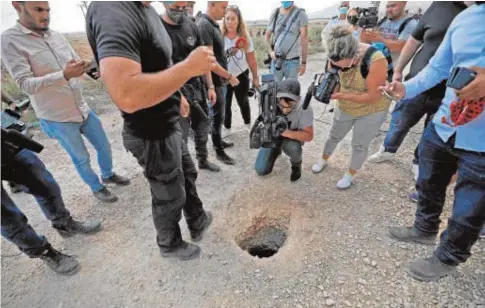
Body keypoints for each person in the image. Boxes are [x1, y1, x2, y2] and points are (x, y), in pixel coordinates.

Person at [86, 1, 215, 261]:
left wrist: (177, 95)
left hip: (170, 121)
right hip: (151, 133)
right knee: (168, 193)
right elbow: (126, 94)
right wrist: (189, 68)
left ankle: (197, 219)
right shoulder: (113, 9)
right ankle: (170, 244)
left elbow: (158, 63)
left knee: (187, 173)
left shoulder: (146, 11)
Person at [381, 2, 485, 282]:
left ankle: (448, 258)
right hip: (445, 125)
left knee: (469, 208)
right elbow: (438, 66)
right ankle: (425, 229)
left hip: (482, 142)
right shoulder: (466, 18)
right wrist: (406, 88)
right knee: (428, 182)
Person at [1, 1, 130, 204]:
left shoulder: (56, 35)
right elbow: (25, 84)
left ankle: (108, 174)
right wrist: (63, 75)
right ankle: (97, 187)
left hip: (82, 109)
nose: (46, 15)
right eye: (38, 10)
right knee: (81, 157)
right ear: (18, 6)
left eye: (48, 10)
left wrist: (91, 67)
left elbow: (76, 62)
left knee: (104, 145)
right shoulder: (10, 40)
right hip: (57, 117)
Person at [368, 2, 467, 197]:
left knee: (430, 134)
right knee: (399, 122)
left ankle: (418, 163)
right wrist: (398, 71)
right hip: (416, 84)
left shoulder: (475, 16)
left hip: (450, 95)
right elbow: (414, 41)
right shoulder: (439, 6)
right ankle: (387, 150)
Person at [1, 139, 102, 275]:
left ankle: (64, 224)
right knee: (6, 217)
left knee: (46, 186)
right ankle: (43, 251)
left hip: (6, 147)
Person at [312, 25, 391, 190]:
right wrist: (327, 88)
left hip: (372, 110)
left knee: (359, 145)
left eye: (343, 66)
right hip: (346, 106)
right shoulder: (335, 54)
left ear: (354, 56)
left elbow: (372, 97)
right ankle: (323, 159)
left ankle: (350, 174)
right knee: (334, 135)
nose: (339, 68)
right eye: (335, 65)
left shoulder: (376, 60)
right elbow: (333, 78)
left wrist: (340, 96)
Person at [161, 1, 220, 173]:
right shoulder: (158, 29)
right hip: (175, 91)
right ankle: (183, 169)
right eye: (175, 8)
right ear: (164, 4)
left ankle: (203, 160)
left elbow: (204, 58)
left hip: (197, 88)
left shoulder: (191, 26)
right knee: (181, 135)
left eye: (183, 7)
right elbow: (159, 67)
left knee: (202, 127)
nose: (180, 11)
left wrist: (210, 86)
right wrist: (178, 96)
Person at [198, 1, 239, 165]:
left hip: (220, 80)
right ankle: (218, 150)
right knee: (216, 115)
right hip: (215, 81)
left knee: (219, 114)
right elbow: (209, 62)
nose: (225, 11)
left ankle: (219, 141)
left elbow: (217, 55)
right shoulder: (204, 26)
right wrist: (228, 76)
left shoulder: (213, 25)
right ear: (212, 4)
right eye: (223, 7)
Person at [254, 78, 314, 182]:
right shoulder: (269, 100)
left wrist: (287, 133)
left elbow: (309, 136)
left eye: (291, 106)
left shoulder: (305, 108)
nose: (285, 109)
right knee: (261, 170)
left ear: (298, 99)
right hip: (273, 135)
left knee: (294, 148)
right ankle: (276, 149)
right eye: (282, 106)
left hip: (290, 136)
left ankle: (296, 166)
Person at [222, 5, 260, 131]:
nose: (230, 22)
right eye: (227, 18)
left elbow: (252, 60)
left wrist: (255, 78)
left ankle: (248, 125)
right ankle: (226, 129)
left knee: (243, 102)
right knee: (225, 105)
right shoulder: (220, 37)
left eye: (233, 19)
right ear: (224, 19)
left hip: (241, 75)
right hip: (224, 76)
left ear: (238, 20)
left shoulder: (245, 38)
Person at [360, 1, 418, 65]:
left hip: (392, 68)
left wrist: (378, 39)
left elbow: (399, 47)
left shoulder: (411, 24)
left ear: (404, 4)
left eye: (393, 6)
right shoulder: (382, 21)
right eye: (387, 6)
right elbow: (365, 42)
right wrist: (364, 32)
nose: (389, 10)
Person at [265, 1, 309, 82]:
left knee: (291, 92)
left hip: (292, 62)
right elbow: (267, 36)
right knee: (274, 91)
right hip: (276, 61)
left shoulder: (301, 14)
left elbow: (304, 40)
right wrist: (271, 52)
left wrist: (303, 63)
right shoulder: (275, 13)